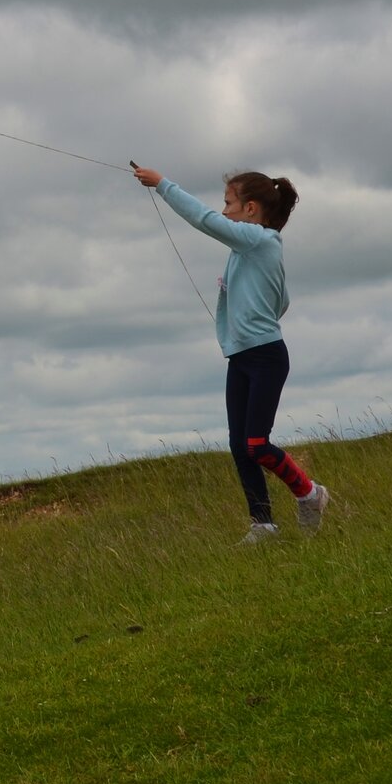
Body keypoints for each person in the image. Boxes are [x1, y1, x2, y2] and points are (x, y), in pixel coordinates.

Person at [130, 165, 332, 543]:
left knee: (257, 444)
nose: (223, 211)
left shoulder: (260, 240)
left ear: (251, 208)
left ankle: (310, 493)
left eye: (228, 203)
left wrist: (162, 185)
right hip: (240, 357)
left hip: (266, 356)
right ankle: (263, 524)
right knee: (240, 447)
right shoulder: (246, 251)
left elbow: (204, 220)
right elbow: (283, 300)